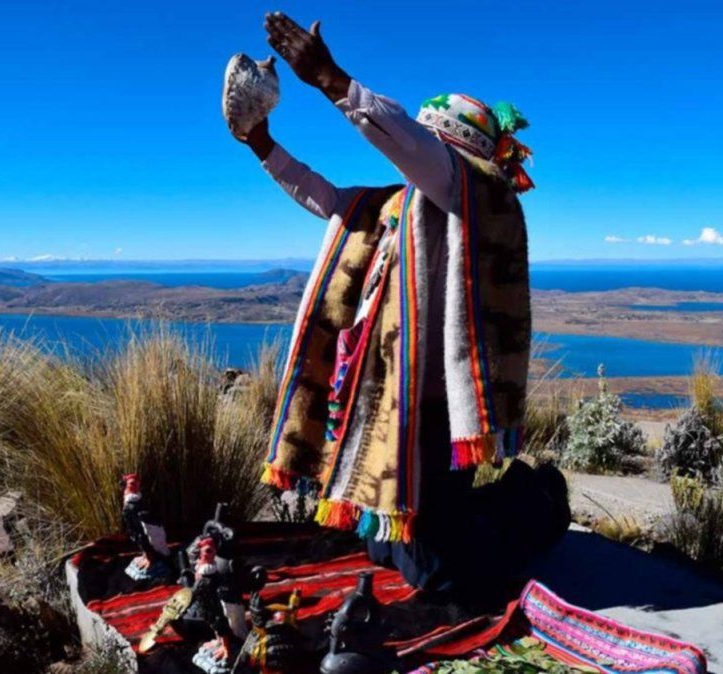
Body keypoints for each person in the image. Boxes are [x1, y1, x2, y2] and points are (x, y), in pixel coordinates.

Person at [239, 13, 566, 593]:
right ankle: (486, 508)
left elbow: (410, 144)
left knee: (434, 573)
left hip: (434, 404)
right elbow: (323, 196)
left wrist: (333, 81)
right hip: (383, 392)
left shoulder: (472, 193)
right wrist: (260, 142)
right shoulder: (397, 206)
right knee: (382, 544)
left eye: (429, 145)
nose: (413, 154)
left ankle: (538, 502)